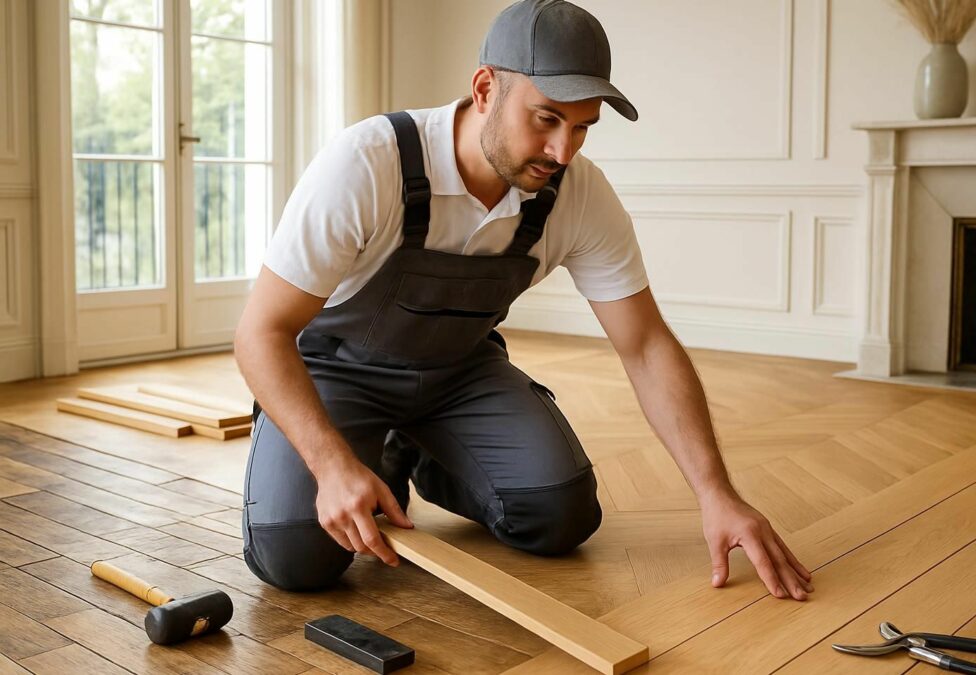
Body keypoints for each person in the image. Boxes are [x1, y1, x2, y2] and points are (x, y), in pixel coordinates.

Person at [235, 0, 813, 601]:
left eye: (583, 126)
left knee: (559, 516)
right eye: (546, 119)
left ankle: (415, 450)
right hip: (335, 373)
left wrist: (715, 493)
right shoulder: (368, 162)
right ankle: (361, 451)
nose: (563, 151)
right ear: (485, 88)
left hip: (459, 374)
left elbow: (644, 345)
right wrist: (330, 466)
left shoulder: (578, 193)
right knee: (296, 556)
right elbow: (260, 334)